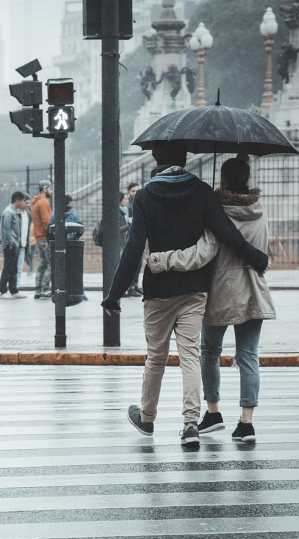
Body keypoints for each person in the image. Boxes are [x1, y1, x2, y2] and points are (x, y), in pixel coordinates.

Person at [101, 143, 268, 449]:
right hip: (194, 289)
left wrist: (114, 294)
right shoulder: (203, 192)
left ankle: (148, 417)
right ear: (186, 158)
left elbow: (134, 247)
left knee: (156, 357)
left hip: (158, 290)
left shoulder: (145, 196)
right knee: (190, 355)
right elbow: (225, 232)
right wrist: (254, 255)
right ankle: (190, 424)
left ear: (156, 159)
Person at [148, 157, 276, 443]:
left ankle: (213, 411)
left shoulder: (217, 212)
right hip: (254, 289)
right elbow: (264, 247)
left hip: (221, 289)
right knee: (248, 357)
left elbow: (204, 252)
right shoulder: (259, 209)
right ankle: (246, 423)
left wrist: (165, 260)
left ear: (224, 180)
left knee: (209, 352)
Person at [0, 191, 28, 299]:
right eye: (23, 201)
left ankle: (14, 290)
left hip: (14, 245)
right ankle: (3, 291)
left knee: (14, 269)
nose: (24, 203)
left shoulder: (14, 211)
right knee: (8, 268)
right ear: (17, 200)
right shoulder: (8, 212)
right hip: (10, 245)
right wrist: (13, 243)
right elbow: (6, 230)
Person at [32, 183, 53, 299]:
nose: (51, 191)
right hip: (45, 237)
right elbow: (47, 222)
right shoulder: (44, 202)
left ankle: (38, 289)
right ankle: (45, 289)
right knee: (51, 263)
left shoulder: (36, 202)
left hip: (39, 237)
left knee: (43, 263)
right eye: (50, 188)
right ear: (45, 189)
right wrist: (52, 235)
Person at [126, 182, 143, 297]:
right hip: (130, 237)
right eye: (133, 191)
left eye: (137, 190)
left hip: (139, 235)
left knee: (139, 263)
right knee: (133, 263)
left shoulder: (140, 202)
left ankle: (135, 285)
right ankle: (131, 287)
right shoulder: (128, 205)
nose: (136, 193)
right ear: (129, 192)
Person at [16, 193, 32, 284]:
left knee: (19, 267)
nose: (28, 205)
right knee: (13, 268)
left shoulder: (28, 214)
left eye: (30, 203)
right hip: (16, 244)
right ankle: (10, 288)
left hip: (24, 244)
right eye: (27, 203)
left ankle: (16, 287)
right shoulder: (16, 214)